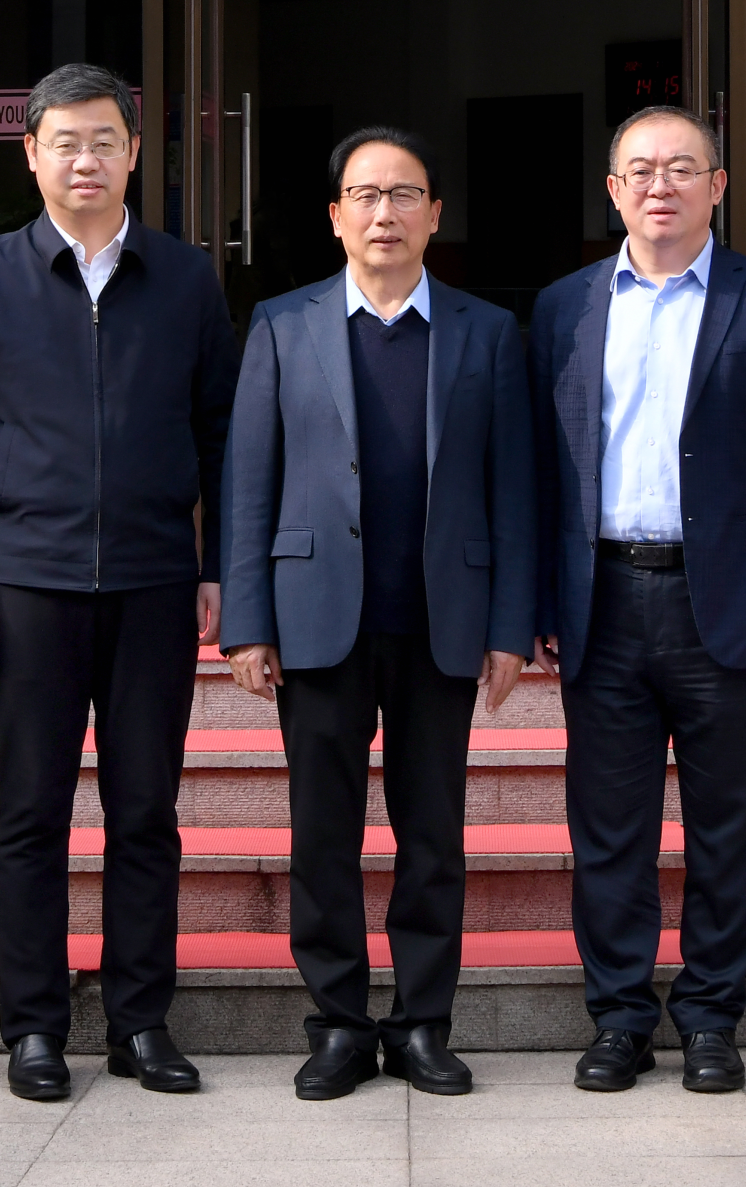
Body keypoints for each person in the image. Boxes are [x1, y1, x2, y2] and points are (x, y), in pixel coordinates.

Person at [0, 63, 239, 1102]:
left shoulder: (184, 277)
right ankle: (34, 1028)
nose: (85, 158)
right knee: (31, 814)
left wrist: (217, 567)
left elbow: (224, 434)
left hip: (154, 583)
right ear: (31, 153)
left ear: (135, 152)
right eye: (64, 141)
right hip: (27, 587)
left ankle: (141, 1021)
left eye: (104, 139)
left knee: (146, 810)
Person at [220, 126, 534, 1100]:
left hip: (442, 619)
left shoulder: (487, 331)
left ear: (435, 213)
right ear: (334, 216)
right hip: (317, 617)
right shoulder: (282, 324)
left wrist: (509, 626)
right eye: (364, 195)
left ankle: (423, 1023)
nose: (384, 213)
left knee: (432, 834)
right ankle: (338, 1026)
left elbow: (515, 488)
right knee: (323, 834)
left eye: (404, 195)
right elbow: (248, 479)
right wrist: (246, 619)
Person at [529, 104, 746, 1094]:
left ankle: (710, 1015)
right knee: (608, 829)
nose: (659, 185)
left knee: (728, 826)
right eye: (639, 170)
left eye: (681, 168)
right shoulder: (564, 307)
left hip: (729, 607)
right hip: (602, 601)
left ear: (718, 186)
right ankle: (619, 1017)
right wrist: (538, 602)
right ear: (612, 191)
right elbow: (538, 469)